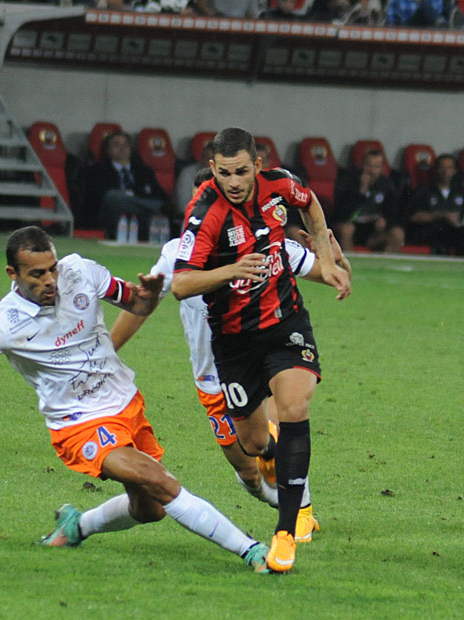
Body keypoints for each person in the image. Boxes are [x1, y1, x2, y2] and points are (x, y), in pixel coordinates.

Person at [0, 226, 272, 573]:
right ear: (12, 274)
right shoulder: (0, 323)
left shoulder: (80, 271)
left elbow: (136, 304)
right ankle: (251, 550)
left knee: (149, 508)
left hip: (126, 404)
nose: (51, 280)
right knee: (160, 481)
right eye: (37, 274)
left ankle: (76, 526)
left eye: (52, 268)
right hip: (78, 424)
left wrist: (149, 296)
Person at [111, 168, 353, 544]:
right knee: (251, 471)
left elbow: (326, 272)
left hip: (261, 355)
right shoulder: (178, 256)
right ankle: (278, 495)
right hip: (214, 380)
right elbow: (144, 305)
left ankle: (300, 512)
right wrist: (108, 350)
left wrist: (335, 259)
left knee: (285, 423)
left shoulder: (266, 240)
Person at [171, 127, 350, 573]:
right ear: (213, 168)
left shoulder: (279, 183)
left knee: (293, 406)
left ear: (258, 163)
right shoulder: (205, 214)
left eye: (243, 171)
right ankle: (273, 458)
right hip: (233, 341)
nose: (234, 182)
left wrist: (325, 255)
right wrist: (232, 268)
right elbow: (180, 284)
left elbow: (309, 204)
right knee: (252, 443)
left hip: (286, 320)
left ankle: (286, 531)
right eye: (226, 172)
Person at [84, 130, 167, 241]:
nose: (122, 148)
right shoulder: (97, 171)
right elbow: (98, 197)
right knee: (113, 197)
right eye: (116, 145)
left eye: (125, 145)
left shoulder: (144, 171)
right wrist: (133, 197)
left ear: (130, 149)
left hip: (140, 218)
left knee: (158, 207)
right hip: (111, 214)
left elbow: (160, 196)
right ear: (108, 150)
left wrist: (131, 199)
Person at [333, 149, 404, 253]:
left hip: (371, 230)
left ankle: (384, 265)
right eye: (369, 166)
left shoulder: (386, 185)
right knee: (347, 229)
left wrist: (385, 221)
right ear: (362, 165)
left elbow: (393, 212)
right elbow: (340, 214)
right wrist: (361, 192)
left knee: (398, 234)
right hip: (349, 225)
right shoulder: (347, 181)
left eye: (376, 167)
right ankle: (350, 265)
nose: (372, 171)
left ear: (381, 168)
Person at [407, 154, 464, 256]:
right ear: (435, 169)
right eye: (442, 167)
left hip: (454, 232)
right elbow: (412, 216)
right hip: (431, 232)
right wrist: (443, 215)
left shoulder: (459, 192)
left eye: (449, 168)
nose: (446, 172)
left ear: (455, 171)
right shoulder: (423, 190)